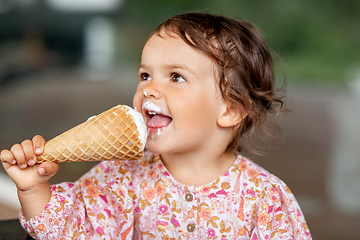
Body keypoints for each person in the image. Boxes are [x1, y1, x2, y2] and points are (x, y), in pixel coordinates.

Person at [0, 12, 312, 239]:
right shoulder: (120, 174)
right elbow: (72, 231)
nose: (148, 89)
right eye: (145, 75)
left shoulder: (265, 198)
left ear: (230, 110)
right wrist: (34, 189)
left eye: (176, 77)